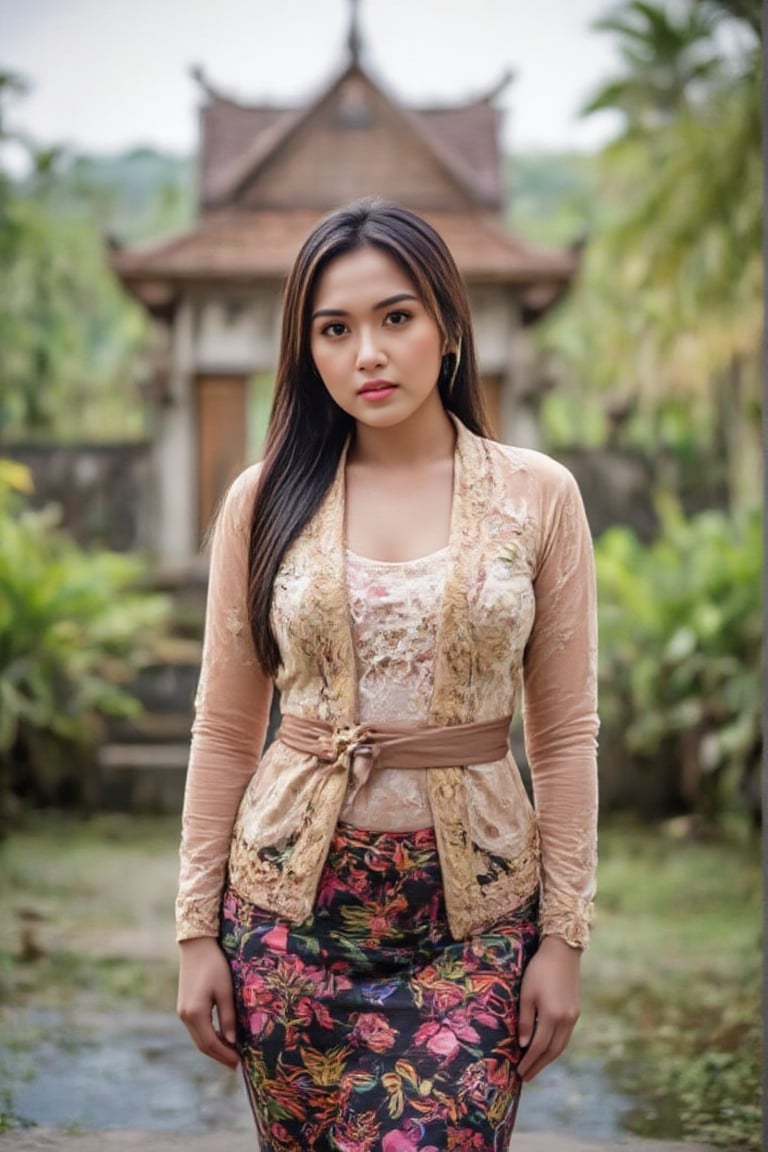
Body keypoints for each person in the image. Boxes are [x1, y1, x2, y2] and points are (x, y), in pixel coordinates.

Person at [176, 198, 599, 1152]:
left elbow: (566, 735)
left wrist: (565, 941)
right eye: (336, 328)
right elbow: (225, 728)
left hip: (478, 918)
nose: (368, 351)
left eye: (395, 317)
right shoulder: (265, 497)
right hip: (288, 915)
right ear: (309, 350)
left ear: (447, 327)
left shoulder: (539, 497)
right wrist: (196, 932)